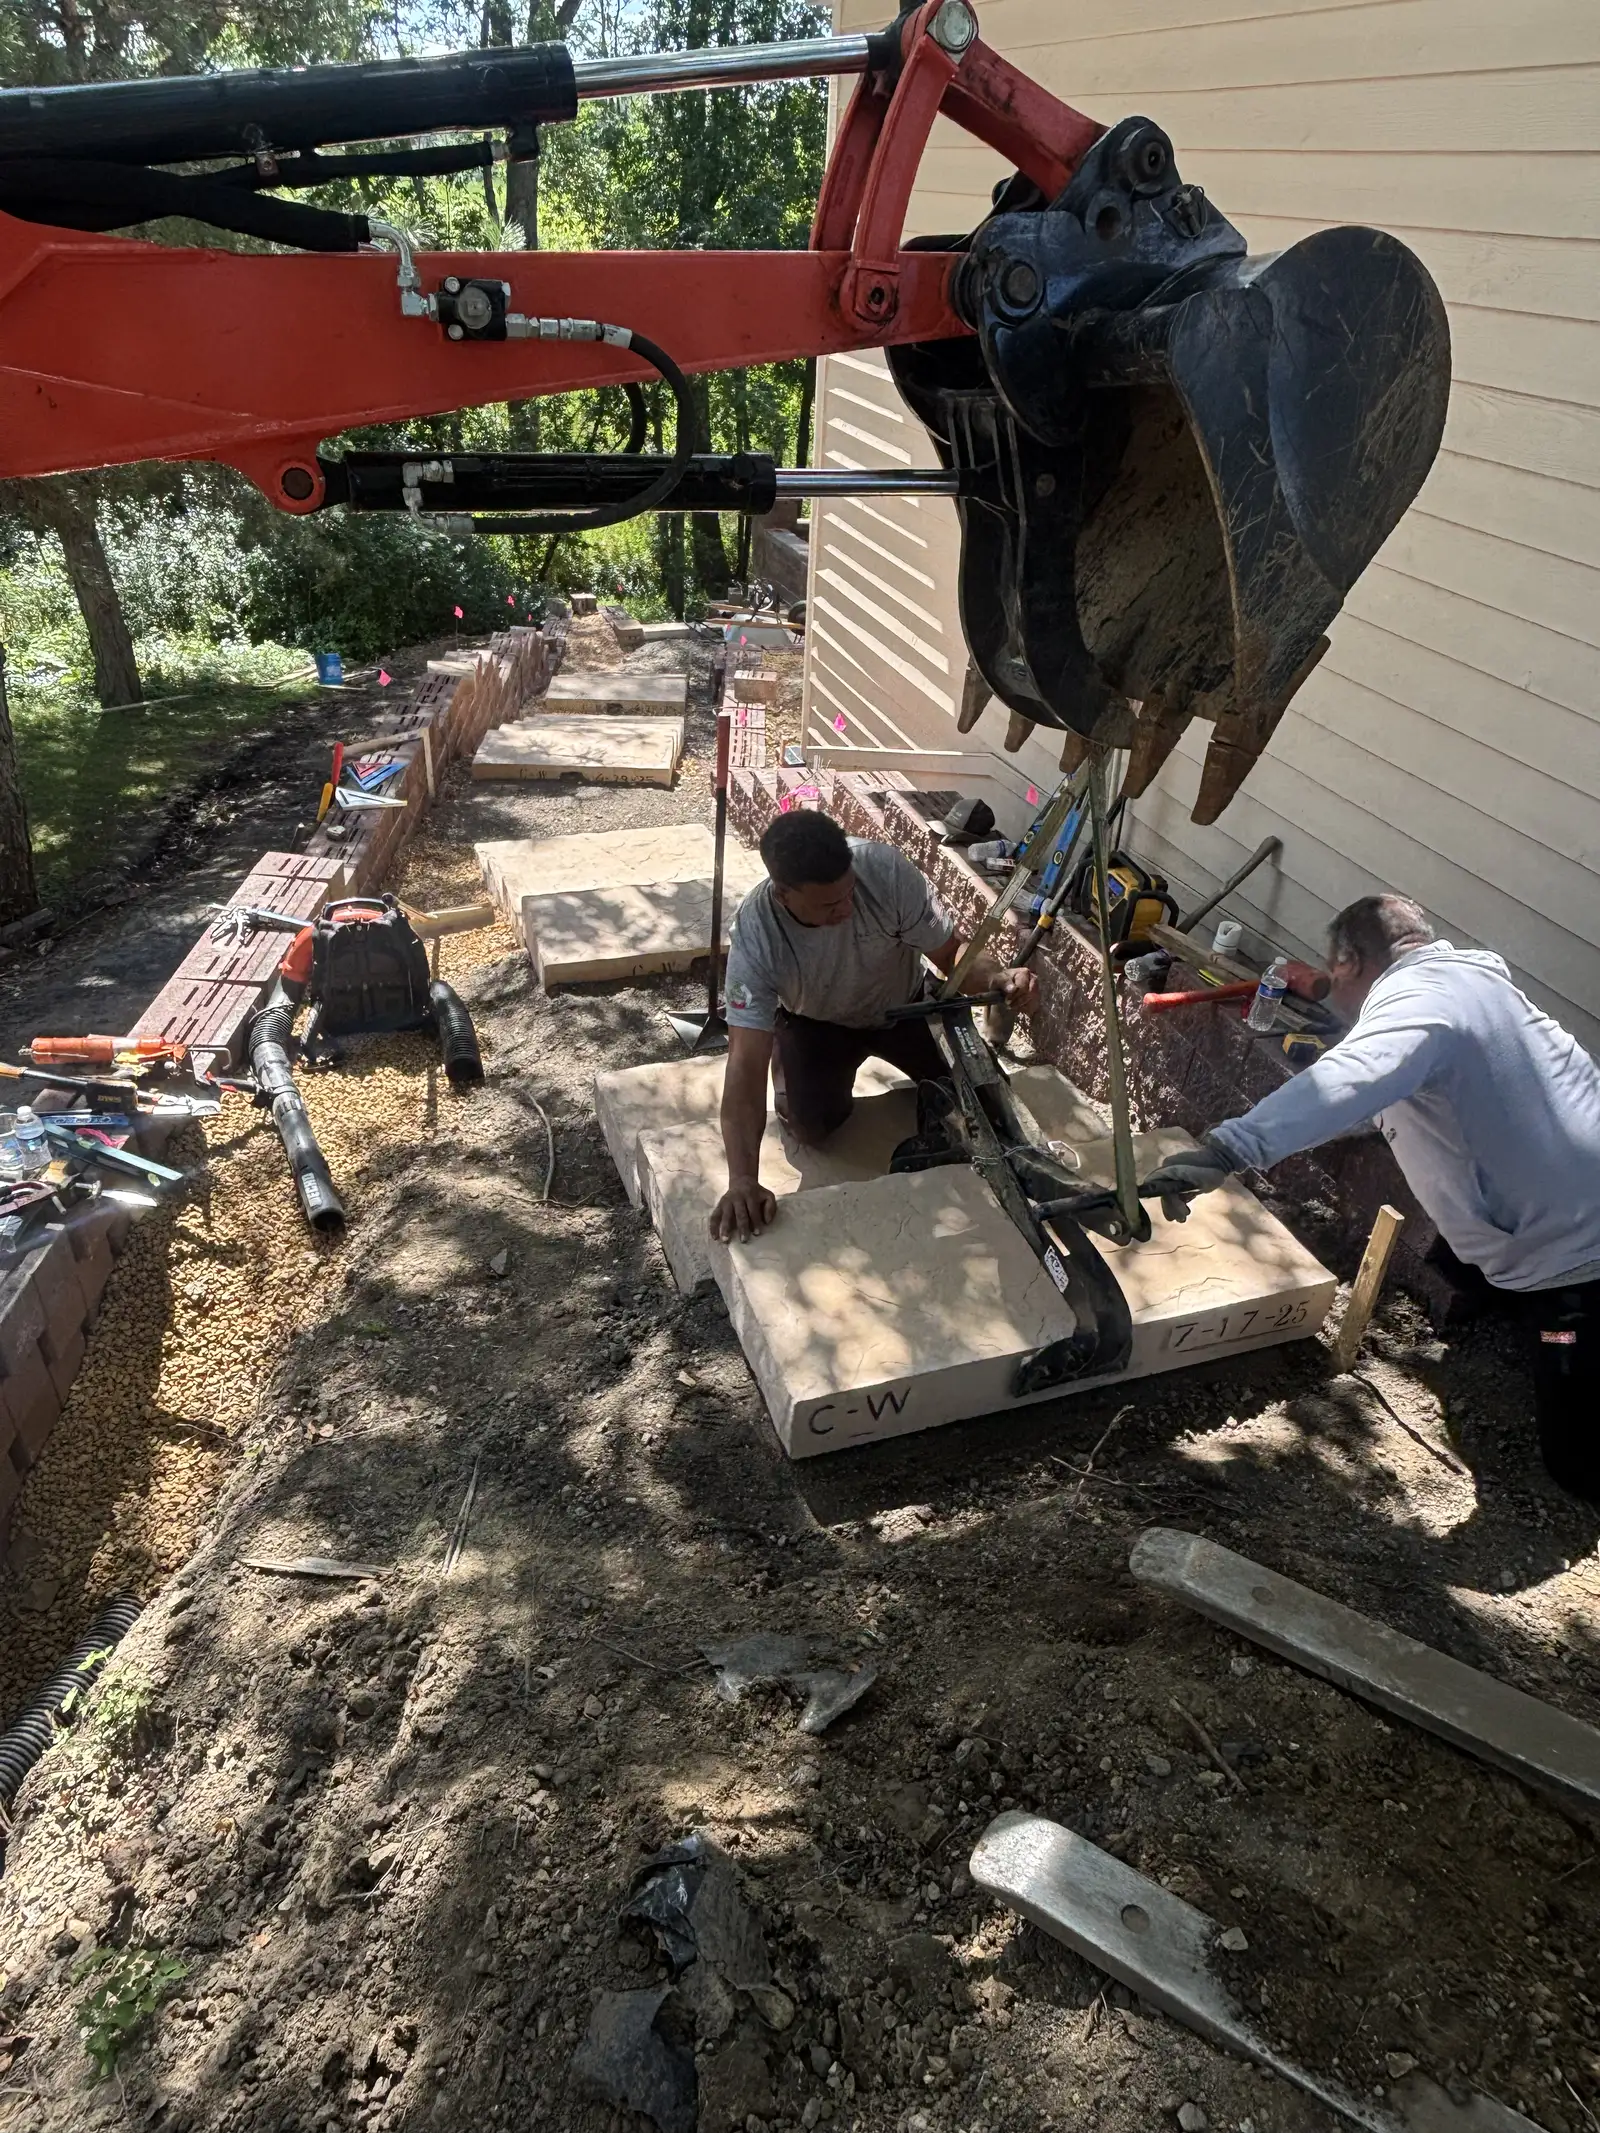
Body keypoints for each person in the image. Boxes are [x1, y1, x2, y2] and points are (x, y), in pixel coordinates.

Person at [1140, 894, 1600, 1500]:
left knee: (1574, 1454)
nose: (1337, 996)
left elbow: (1351, 1077)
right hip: (1567, 1201)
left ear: (1353, 960)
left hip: (1571, 1252)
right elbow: (1404, 1084)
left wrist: (1227, 1151)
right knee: (1460, 1262)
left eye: (1336, 978)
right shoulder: (1467, 986)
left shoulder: (1422, 1008)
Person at [709, 808, 1040, 1243]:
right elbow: (744, 1068)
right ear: (784, 895)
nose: (846, 908)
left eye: (848, 893)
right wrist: (741, 1180)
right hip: (817, 1024)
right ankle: (791, 1062)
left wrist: (998, 977)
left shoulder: (883, 869)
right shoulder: (756, 936)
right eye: (828, 905)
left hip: (903, 1007)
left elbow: (951, 955)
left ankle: (936, 1088)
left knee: (988, 1102)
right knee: (811, 1127)